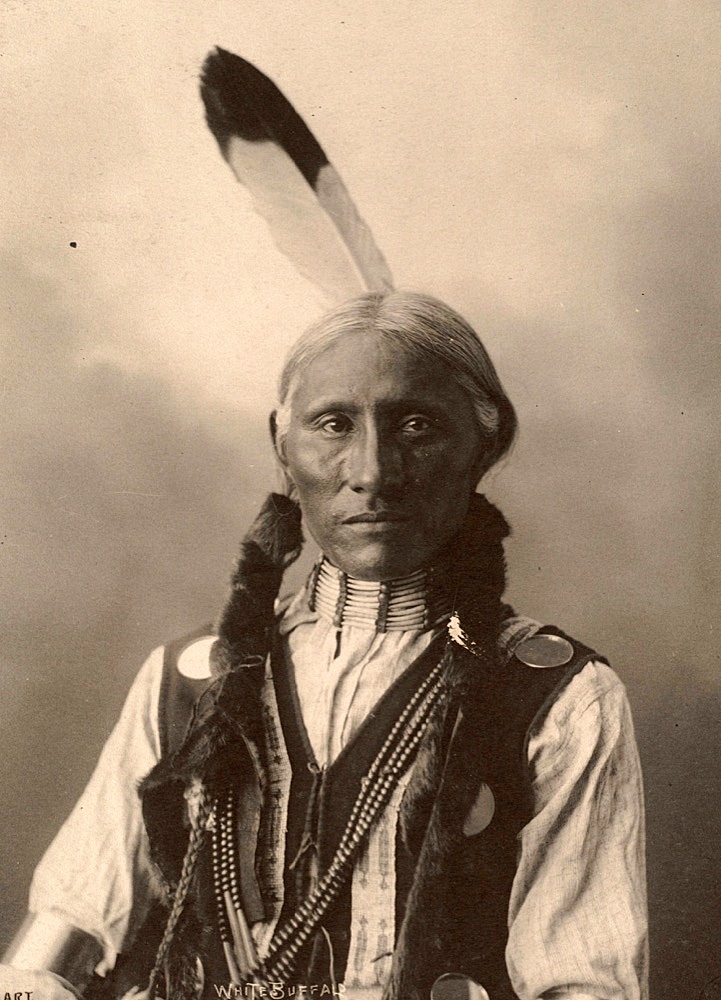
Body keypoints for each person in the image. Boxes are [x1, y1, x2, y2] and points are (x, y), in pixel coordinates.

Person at [3, 292, 648, 1000]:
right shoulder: (186, 683)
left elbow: (586, 982)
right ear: (283, 448)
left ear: (483, 449)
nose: (373, 470)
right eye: (333, 425)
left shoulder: (557, 697)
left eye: (417, 426)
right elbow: (61, 936)